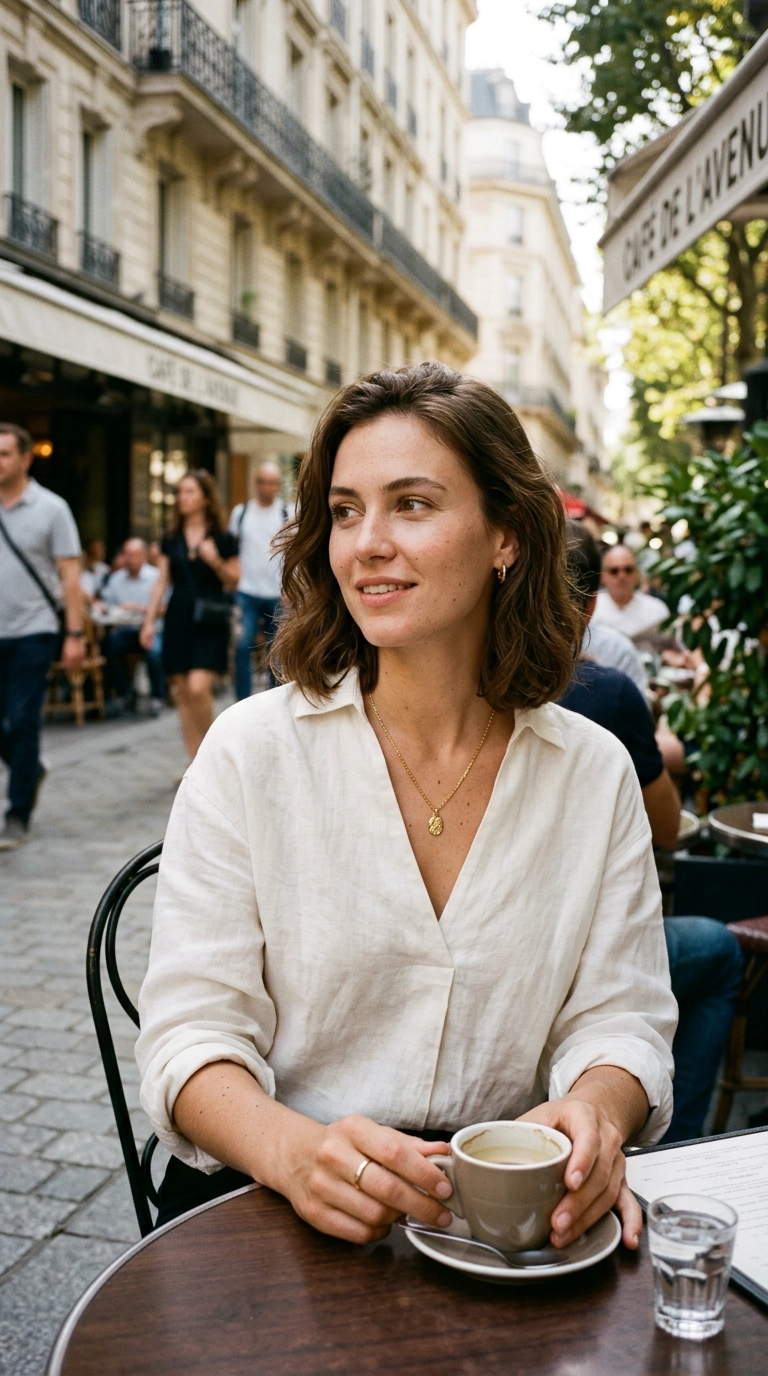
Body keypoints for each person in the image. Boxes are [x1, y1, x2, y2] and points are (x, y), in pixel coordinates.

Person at [137, 363, 676, 1251]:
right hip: (269, 1206)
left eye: (412, 504)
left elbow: (621, 1016)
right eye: (346, 511)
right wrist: (291, 1149)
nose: (366, 543)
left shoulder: (593, 774)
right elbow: (190, 1034)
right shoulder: (249, 753)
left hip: (510, 1218)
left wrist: (595, 1108)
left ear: (506, 534)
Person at [562, 523, 744, 1143]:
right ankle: (677, 1148)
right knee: (718, 952)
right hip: (573, 959)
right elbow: (667, 830)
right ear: (592, 604)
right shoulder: (605, 693)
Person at [0, 423, 84, 850]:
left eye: (5, 454)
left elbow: (70, 576)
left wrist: (74, 633)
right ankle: (28, 767)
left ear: (26, 459)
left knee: (23, 718)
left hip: (34, 629)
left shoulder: (52, 509)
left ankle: (17, 812)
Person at [140, 471, 239, 764]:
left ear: (206, 499)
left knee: (198, 686)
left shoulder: (222, 537)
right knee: (183, 692)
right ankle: (195, 763)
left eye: (189, 492)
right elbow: (162, 582)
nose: (182, 497)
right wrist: (148, 621)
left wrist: (215, 560)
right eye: (180, 492)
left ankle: (212, 757)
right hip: (178, 616)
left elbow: (234, 579)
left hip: (209, 617)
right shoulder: (171, 537)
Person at [228, 462, 289, 697]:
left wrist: (290, 587)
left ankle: (274, 699)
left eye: (273, 483)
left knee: (276, 651)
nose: (268, 487)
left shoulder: (287, 512)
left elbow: (294, 552)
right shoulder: (241, 513)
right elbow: (232, 550)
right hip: (247, 591)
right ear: (256, 484)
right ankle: (242, 701)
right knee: (242, 646)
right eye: (263, 482)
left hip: (277, 593)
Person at [100, 538, 164, 716]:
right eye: (126, 555)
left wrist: (138, 608)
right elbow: (108, 605)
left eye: (134, 555)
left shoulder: (156, 577)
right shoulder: (115, 579)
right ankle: (123, 693)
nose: (129, 559)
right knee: (109, 647)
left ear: (144, 556)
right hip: (125, 629)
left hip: (151, 629)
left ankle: (157, 697)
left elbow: (165, 609)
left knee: (155, 653)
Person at [593, 543, 669, 640]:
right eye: (614, 571)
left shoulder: (657, 609)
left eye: (628, 570)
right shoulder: (590, 609)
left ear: (637, 574)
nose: (622, 576)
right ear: (602, 575)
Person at [80, 538, 110, 603]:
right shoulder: (81, 574)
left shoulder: (104, 569)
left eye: (102, 549)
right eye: (98, 549)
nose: (101, 552)